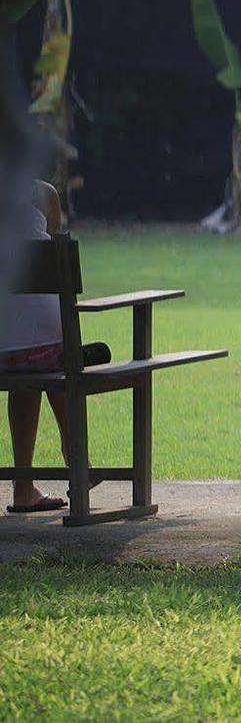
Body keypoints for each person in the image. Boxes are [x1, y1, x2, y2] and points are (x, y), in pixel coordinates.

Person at [2, 181, 99, 516]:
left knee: (31, 368)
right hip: (43, 340)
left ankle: (23, 487)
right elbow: (48, 260)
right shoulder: (40, 193)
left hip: (9, 349)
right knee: (57, 360)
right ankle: (77, 460)